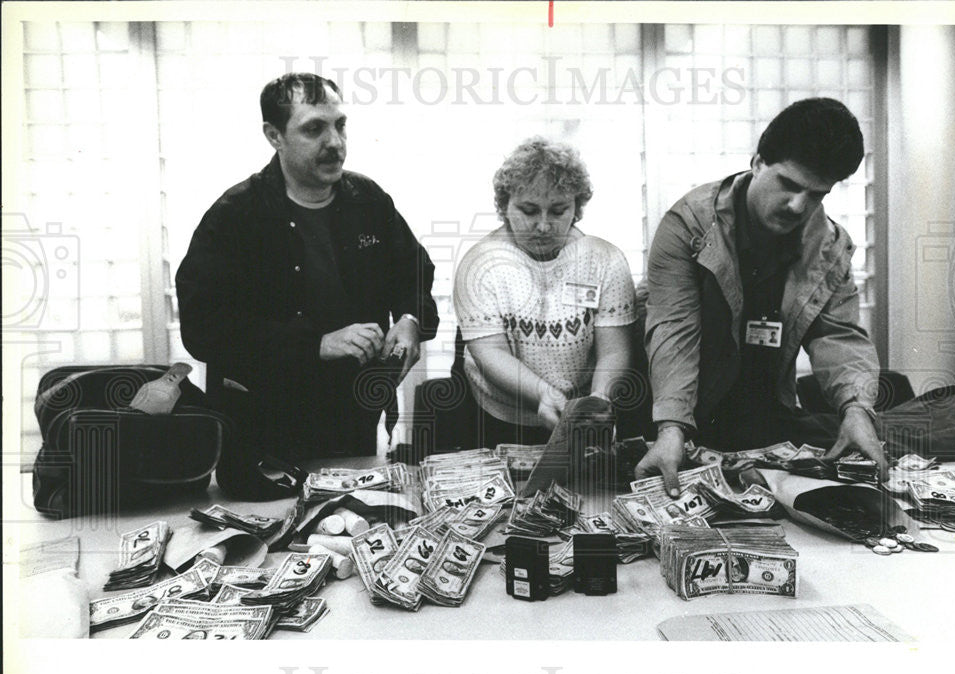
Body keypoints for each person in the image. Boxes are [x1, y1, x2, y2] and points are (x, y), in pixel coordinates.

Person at [176, 73, 438, 460]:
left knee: (352, 519)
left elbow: (414, 272)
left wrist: (410, 320)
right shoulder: (234, 217)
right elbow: (203, 329)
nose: (335, 143)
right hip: (260, 428)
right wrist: (315, 344)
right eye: (314, 129)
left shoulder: (368, 199)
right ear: (274, 135)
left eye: (340, 125)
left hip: (351, 419)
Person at [636, 98, 887, 495]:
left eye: (816, 195)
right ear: (757, 163)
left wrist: (857, 410)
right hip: (670, 399)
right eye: (788, 184)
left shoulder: (832, 246)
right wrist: (670, 428)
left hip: (757, 401)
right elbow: (673, 332)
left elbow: (838, 338)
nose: (797, 206)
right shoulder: (687, 225)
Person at [452, 137, 637, 446]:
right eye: (529, 210)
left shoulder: (606, 260)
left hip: (578, 408)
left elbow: (615, 349)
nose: (542, 226)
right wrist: (541, 393)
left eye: (557, 211)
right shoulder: (479, 265)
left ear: (576, 208)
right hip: (499, 414)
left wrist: (598, 401)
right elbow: (490, 351)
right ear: (504, 205)